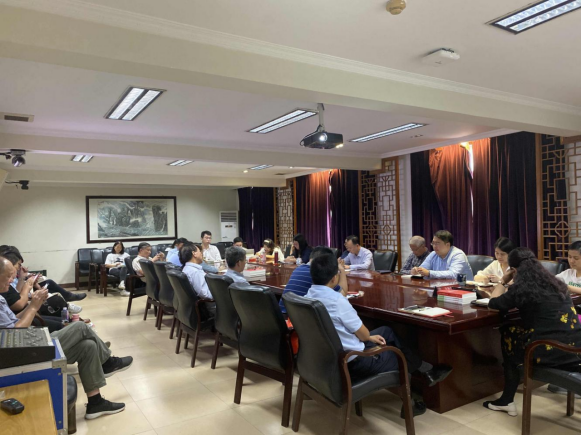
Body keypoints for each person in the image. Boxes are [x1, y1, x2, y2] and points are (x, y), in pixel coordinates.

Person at [304, 253, 452, 417]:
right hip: (354, 360)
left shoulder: (308, 296)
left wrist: (368, 337)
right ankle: (411, 401)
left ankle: (427, 370)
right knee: (400, 356)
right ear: (334, 278)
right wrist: (367, 337)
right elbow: (363, 334)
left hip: (330, 355)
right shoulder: (337, 302)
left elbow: (362, 333)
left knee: (386, 331)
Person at [0, 257, 133, 420]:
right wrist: (33, 307)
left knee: (88, 346)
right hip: (20, 353)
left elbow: (14, 321)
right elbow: (13, 333)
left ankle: (95, 403)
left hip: (28, 342)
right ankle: (107, 362)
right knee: (80, 327)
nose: (11, 280)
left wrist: (34, 305)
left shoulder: (1, 297)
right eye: (8, 276)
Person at [483, 248, 581, 417]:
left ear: (514, 270)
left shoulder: (522, 288)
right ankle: (507, 399)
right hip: (575, 348)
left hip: (550, 351)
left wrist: (503, 281)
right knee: (518, 332)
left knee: (509, 333)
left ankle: (507, 400)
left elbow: (493, 303)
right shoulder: (556, 283)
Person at [0, 246, 86, 302]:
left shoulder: (10, 276)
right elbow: (18, 300)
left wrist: (28, 279)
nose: (20, 267)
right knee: (51, 293)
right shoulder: (5, 282)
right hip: (24, 298)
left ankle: (66, 299)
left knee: (49, 286)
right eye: (19, 264)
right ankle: (66, 301)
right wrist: (24, 281)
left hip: (25, 294)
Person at [279, 246, 348, 314]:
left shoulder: (298, 268)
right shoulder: (318, 273)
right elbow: (343, 294)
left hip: (284, 315)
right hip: (295, 317)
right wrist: (341, 269)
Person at [181, 244, 216, 315]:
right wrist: (219, 294)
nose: (201, 253)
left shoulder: (187, 268)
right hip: (210, 308)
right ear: (194, 254)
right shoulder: (195, 272)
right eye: (200, 251)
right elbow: (206, 295)